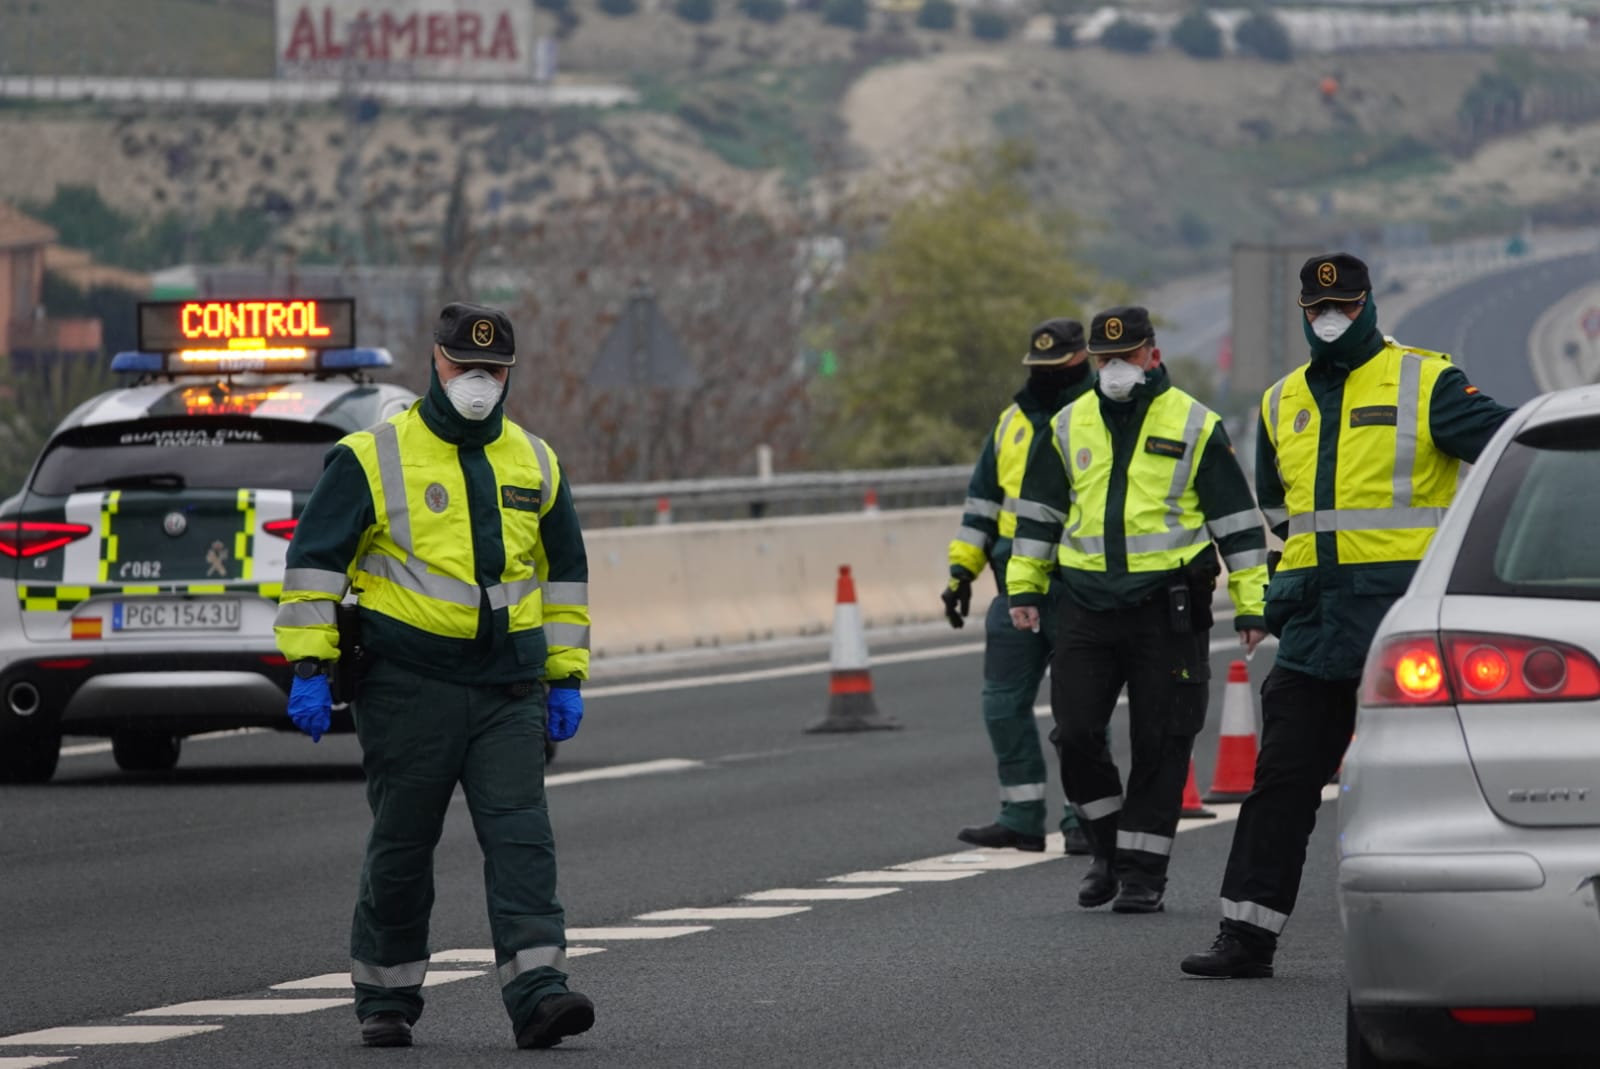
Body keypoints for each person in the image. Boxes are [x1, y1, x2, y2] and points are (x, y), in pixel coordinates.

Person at [1181, 253, 1514, 978]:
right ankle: (1246, 934)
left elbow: (1511, 455)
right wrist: (1289, 589)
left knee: (1432, 787)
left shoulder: (1427, 380)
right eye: (1317, 309)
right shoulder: (1279, 402)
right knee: (1281, 783)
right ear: (1303, 313)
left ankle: (1470, 943)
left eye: (1345, 306)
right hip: (1312, 628)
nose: (1331, 319)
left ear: (1368, 305)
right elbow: (1281, 510)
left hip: (1402, 627)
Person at [274, 302, 596, 1049]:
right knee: (403, 843)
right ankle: (385, 997)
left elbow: (565, 575)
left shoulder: (536, 461)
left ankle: (540, 992)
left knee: (524, 841)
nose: (477, 380)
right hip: (408, 685)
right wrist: (310, 665)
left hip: (507, 689)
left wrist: (567, 674)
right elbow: (315, 564)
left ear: (510, 373)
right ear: (435, 361)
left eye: (493, 369)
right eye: (463, 365)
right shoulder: (370, 456)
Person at [1007, 306, 1269, 914]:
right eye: (1106, 359)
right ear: (1094, 362)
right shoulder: (1069, 425)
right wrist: (1023, 589)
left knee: (1163, 739)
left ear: (1152, 353)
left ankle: (1144, 875)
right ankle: (1106, 848)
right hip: (1085, 607)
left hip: (1167, 611)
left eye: (1127, 356)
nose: (1117, 368)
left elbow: (1235, 523)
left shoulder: (1196, 423)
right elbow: (1038, 517)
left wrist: (1252, 604)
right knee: (1074, 732)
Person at [944, 319, 1098, 856]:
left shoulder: (1099, 418)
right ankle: (1021, 814)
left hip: (1078, 584)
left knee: (1077, 713)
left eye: (1057, 369)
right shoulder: (1010, 423)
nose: (1047, 378)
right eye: (1040, 369)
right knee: (1001, 704)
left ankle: (1084, 817)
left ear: (1082, 361)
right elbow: (982, 504)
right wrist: (960, 571)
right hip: (1014, 586)